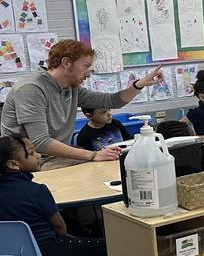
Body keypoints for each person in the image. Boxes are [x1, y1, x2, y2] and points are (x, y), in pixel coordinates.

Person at [0, 40, 163, 166]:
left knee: (111, 163)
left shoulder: (71, 88)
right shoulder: (31, 89)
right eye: (85, 66)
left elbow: (112, 101)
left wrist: (139, 84)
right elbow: (40, 142)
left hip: (54, 159)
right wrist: (92, 155)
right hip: (29, 163)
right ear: (66, 63)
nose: (88, 74)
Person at [0, 136, 107, 256]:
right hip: (44, 252)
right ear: (13, 164)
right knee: (106, 248)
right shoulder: (37, 191)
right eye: (32, 153)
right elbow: (59, 225)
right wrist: (65, 240)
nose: (39, 156)